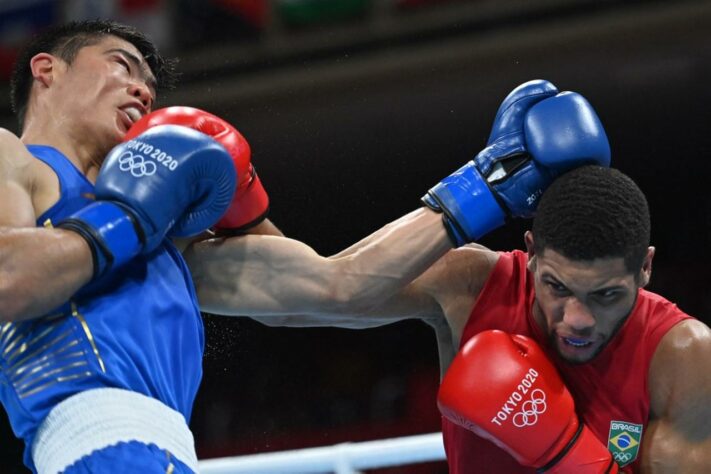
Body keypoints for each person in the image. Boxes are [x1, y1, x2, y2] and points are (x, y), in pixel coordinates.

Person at [0, 19, 605, 473]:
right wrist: (130, 215)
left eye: (150, 85)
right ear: (46, 69)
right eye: (121, 65)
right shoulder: (13, 158)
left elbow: (336, 285)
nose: (141, 90)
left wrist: (489, 184)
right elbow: (9, 278)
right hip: (93, 445)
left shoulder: (164, 242)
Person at [186, 104, 711, 470]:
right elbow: (295, 303)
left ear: (644, 268)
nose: (576, 318)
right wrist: (237, 213)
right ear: (528, 253)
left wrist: (566, 457)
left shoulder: (684, 357)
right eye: (557, 287)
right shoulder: (471, 286)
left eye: (606, 295)